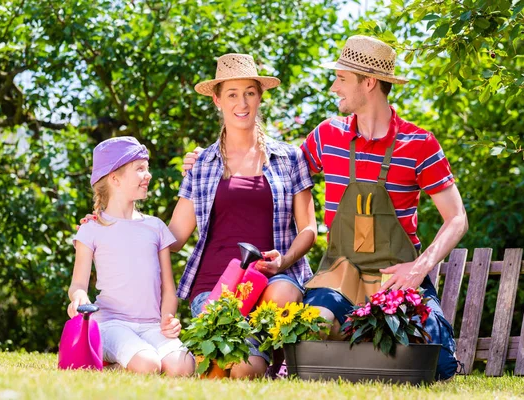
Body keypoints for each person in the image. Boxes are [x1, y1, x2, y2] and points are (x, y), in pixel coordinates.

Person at [183, 37, 468, 380]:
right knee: (311, 327)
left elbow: (457, 218)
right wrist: (211, 159)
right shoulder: (326, 136)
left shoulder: (419, 143)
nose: (333, 88)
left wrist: (420, 268)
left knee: (439, 366)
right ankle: (363, 348)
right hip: (339, 273)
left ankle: (372, 345)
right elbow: (274, 167)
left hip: (396, 275)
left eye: (341, 78)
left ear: (369, 82)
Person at [168, 53, 317, 379]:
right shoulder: (202, 164)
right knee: (229, 374)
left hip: (271, 284)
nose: (242, 102)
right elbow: (175, 237)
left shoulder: (289, 157)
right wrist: (117, 224)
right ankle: (239, 356)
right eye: (232, 94)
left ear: (260, 97)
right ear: (217, 100)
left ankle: (256, 353)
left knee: (282, 297)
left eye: (250, 92)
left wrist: (284, 260)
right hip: (215, 289)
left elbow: (308, 229)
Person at [68, 137, 194, 376]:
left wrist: (168, 318)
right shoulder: (91, 228)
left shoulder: (156, 227)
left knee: (184, 366)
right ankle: (108, 363)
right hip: (111, 324)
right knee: (149, 365)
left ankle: (123, 363)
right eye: (139, 169)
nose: (148, 175)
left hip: (151, 326)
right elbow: (78, 284)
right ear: (114, 179)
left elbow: (169, 287)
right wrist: (79, 297)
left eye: (147, 168)